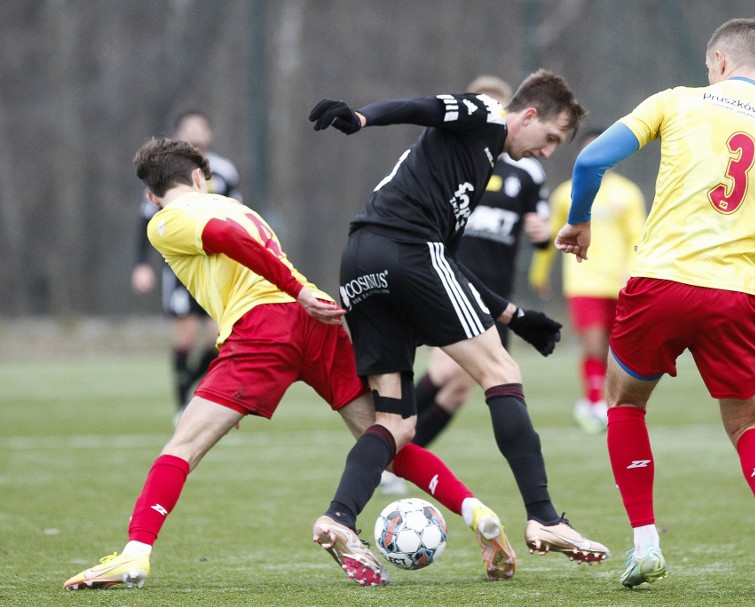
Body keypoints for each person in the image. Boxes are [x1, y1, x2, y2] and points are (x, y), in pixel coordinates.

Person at [63, 137, 519, 590]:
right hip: (314, 323)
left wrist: (295, 293)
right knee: (386, 440)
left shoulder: (164, 220)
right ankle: (478, 513)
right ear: (201, 177)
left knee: (181, 448)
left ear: (151, 194)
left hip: (263, 330)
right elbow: (255, 248)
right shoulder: (239, 208)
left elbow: (229, 243)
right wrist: (312, 299)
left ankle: (135, 554)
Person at [555, 19, 755, 592]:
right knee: (748, 421)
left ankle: (646, 543)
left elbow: (590, 161)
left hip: (661, 283)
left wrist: (578, 222)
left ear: (719, 62)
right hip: (735, 295)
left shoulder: (677, 101)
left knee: (624, 403)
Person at [310, 69, 610, 568]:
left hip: (360, 261)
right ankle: (543, 515)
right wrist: (363, 117)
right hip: (403, 248)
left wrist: (513, 315)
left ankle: (338, 518)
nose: (549, 151)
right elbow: (420, 106)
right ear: (529, 114)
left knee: (396, 423)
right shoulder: (486, 114)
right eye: (551, 137)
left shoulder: (470, 166)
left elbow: (448, 266)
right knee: (501, 373)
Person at [378, 75, 553, 496]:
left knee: (458, 391)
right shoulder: (456, 157)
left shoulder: (526, 171)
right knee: (446, 370)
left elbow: (541, 226)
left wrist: (542, 235)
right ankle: (388, 449)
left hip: (496, 290)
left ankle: (401, 456)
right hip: (449, 279)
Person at [529, 128, 646, 433]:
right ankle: (594, 403)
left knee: (614, 349)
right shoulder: (565, 194)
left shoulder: (628, 193)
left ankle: (608, 401)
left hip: (620, 283)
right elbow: (550, 238)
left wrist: (634, 270)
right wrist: (539, 274)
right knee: (593, 345)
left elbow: (639, 236)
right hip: (583, 281)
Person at [131, 110, 241, 420]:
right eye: (187, 128)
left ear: (209, 134)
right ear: (178, 133)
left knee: (221, 338)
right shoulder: (164, 173)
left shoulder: (224, 172)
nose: (194, 133)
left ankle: (196, 390)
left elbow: (236, 213)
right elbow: (147, 219)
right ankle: (182, 408)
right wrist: (142, 264)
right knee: (185, 337)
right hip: (180, 270)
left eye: (200, 127)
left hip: (216, 269)